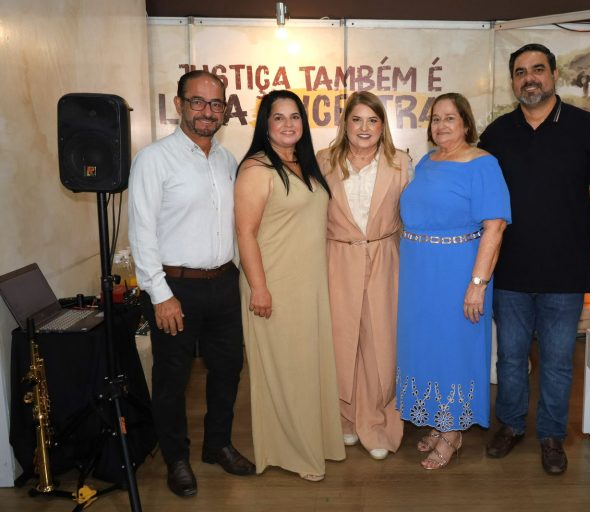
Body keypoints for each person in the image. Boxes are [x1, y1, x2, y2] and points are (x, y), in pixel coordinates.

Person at [478, 43, 590, 474]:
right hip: (510, 271)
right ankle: (510, 425)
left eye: (537, 69)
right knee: (511, 358)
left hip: (565, 271)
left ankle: (552, 436)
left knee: (558, 362)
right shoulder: (497, 134)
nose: (529, 79)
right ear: (513, 81)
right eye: (520, 72)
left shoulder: (586, 127)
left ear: (554, 74)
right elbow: (478, 196)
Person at [128, 70, 255, 498]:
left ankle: (217, 445)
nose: (207, 111)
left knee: (228, 370)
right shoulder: (153, 159)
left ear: (225, 110)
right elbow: (141, 233)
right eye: (197, 102)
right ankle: (176, 458)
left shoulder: (226, 160)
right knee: (172, 379)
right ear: (179, 104)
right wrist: (160, 295)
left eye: (216, 104)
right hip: (174, 288)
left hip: (223, 283)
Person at [396, 92, 511, 470]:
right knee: (426, 347)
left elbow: (495, 227)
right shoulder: (427, 161)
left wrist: (477, 283)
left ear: (465, 124)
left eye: (450, 118)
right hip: (418, 276)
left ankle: (452, 431)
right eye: (436, 118)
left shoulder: (483, 164)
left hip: (458, 273)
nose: (441, 125)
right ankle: (437, 418)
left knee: (453, 349)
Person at [235, 89, 345, 482]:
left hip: (308, 284)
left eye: (294, 116)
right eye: (278, 117)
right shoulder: (257, 168)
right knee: (287, 373)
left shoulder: (305, 164)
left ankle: (318, 442)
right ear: (265, 125)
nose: (288, 124)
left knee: (308, 368)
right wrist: (259, 288)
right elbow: (245, 234)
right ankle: (296, 454)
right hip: (274, 284)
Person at [317, 91, 410, 461]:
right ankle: (343, 418)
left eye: (373, 120)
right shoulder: (323, 161)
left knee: (380, 345)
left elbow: (414, 214)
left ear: (382, 125)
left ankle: (377, 423)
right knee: (341, 342)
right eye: (356, 119)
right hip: (337, 259)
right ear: (345, 124)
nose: (364, 128)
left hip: (385, 258)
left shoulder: (400, 162)